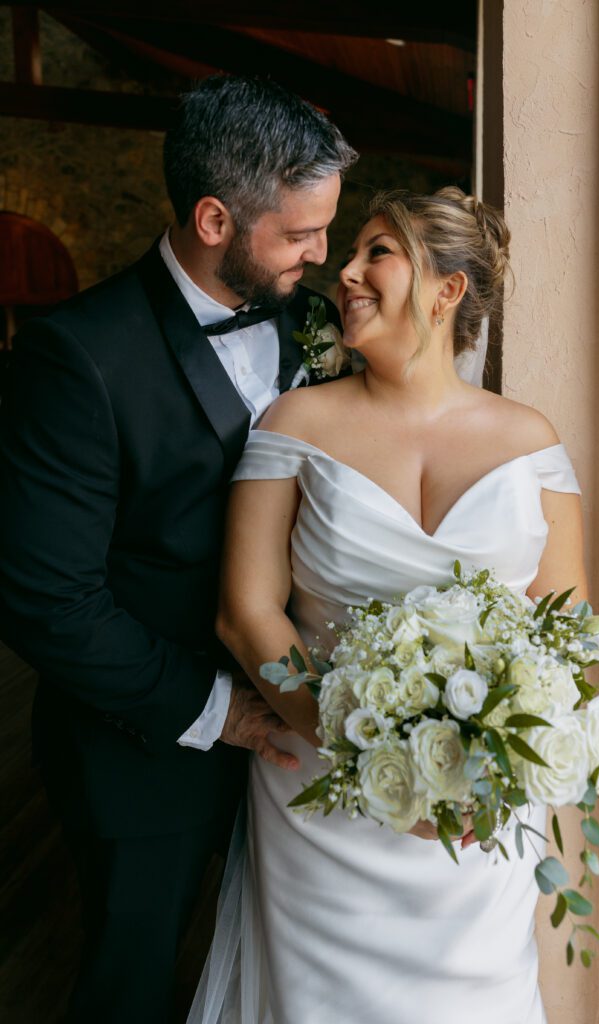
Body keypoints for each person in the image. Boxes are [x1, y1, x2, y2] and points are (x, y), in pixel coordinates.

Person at [0, 75, 357, 1023]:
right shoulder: (77, 357)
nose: (324, 257)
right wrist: (223, 713)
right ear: (213, 219)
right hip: (144, 747)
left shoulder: (312, 321)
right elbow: (47, 602)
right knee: (136, 981)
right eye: (299, 235)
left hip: (296, 741)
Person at [190, 187, 588, 1023]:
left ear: (448, 290)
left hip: (478, 821)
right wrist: (365, 748)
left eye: (378, 252)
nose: (347, 272)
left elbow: (566, 631)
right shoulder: (293, 423)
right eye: (353, 253)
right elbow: (246, 610)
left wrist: (491, 770)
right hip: (325, 799)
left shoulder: (531, 443)